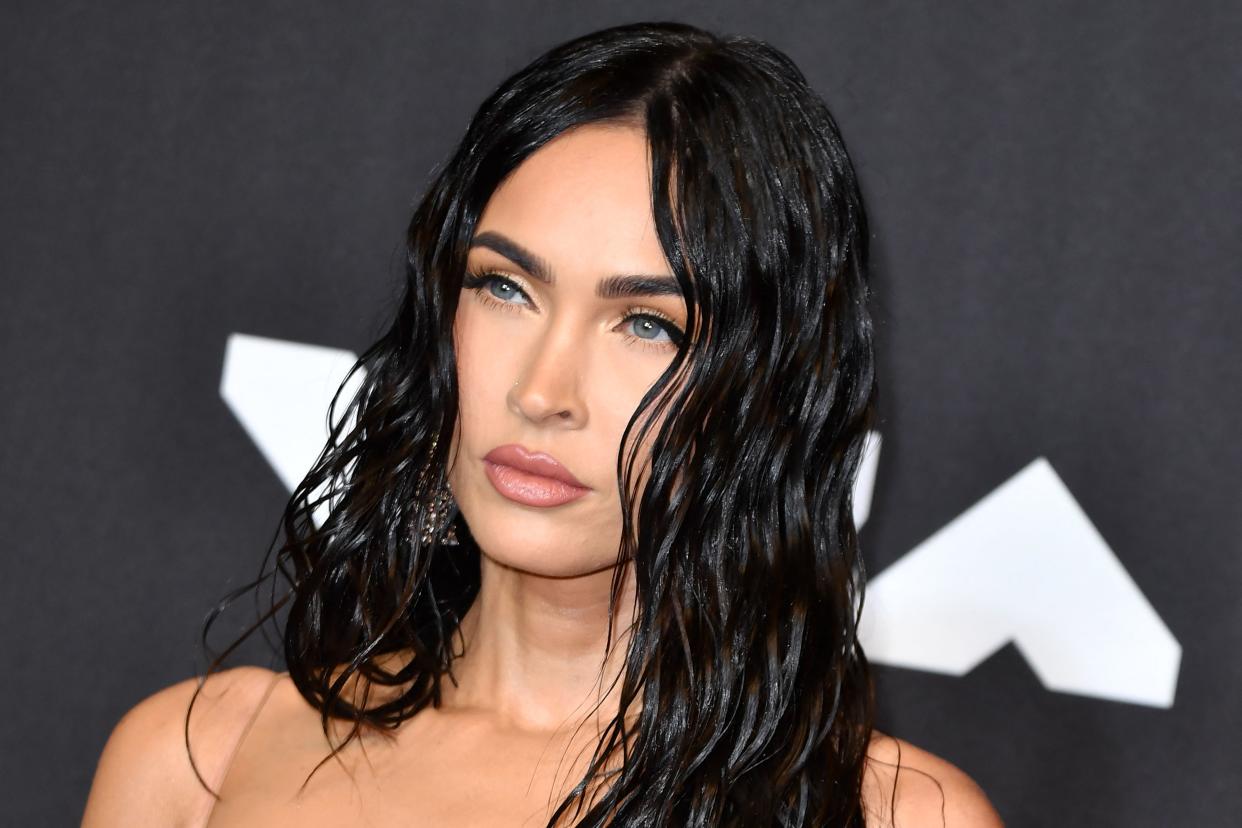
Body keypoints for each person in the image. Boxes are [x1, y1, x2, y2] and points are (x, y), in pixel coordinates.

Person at [82, 21, 1003, 827]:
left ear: (765, 391)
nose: (542, 390)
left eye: (648, 324)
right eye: (505, 287)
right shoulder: (199, 762)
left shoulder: (896, 816)